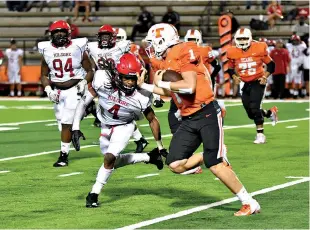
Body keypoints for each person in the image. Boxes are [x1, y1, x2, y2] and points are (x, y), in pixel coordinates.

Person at [139, 23, 261, 216]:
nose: (152, 48)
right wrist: (143, 86)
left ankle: (249, 202)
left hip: (207, 113)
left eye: (154, 43)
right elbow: (168, 91)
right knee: (175, 164)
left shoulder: (184, 51)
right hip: (188, 118)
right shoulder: (169, 57)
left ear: (163, 41)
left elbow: (189, 87)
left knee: (215, 164)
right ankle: (211, 154)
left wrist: (162, 80)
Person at [70, 53, 167, 207]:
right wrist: (75, 127)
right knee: (112, 162)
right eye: (126, 78)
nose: (129, 82)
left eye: (133, 78)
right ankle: (149, 157)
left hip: (124, 126)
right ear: (117, 75)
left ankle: (93, 194)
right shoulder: (103, 80)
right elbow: (84, 101)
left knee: (109, 158)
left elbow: (152, 119)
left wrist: (160, 145)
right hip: (105, 125)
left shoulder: (142, 96)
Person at [38, 20, 94, 167]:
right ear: (51, 34)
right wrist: (48, 89)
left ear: (69, 34)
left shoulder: (78, 47)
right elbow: (44, 74)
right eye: (56, 32)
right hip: (57, 90)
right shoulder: (46, 49)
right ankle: (86, 110)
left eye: (62, 32)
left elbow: (90, 70)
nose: (59, 35)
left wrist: (83, 82)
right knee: (61, 124)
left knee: (65, 124)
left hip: (73, 89)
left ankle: (63, 156)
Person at [86, 25, 148, 152]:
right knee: (114, 113)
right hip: (104, 83)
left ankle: (135, 139)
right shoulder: (93, 47)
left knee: (119, 113)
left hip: (118, 82)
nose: (104, 39)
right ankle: (139, 139)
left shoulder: (122, 47)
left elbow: (137, 62)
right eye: (102, 36)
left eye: (107, 36)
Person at [227, 28, 278, 144]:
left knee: (254, 107)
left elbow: (271, 65)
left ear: (250, 38)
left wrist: (265, 76)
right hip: (244, 83)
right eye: (240, 38)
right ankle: (270, 113)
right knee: (251, 113)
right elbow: (230, 68)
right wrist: (234, 76)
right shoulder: (231, 51)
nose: (242, 40)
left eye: (244, 38)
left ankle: (260, 135)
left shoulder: (259, 47)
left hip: (257, 81)